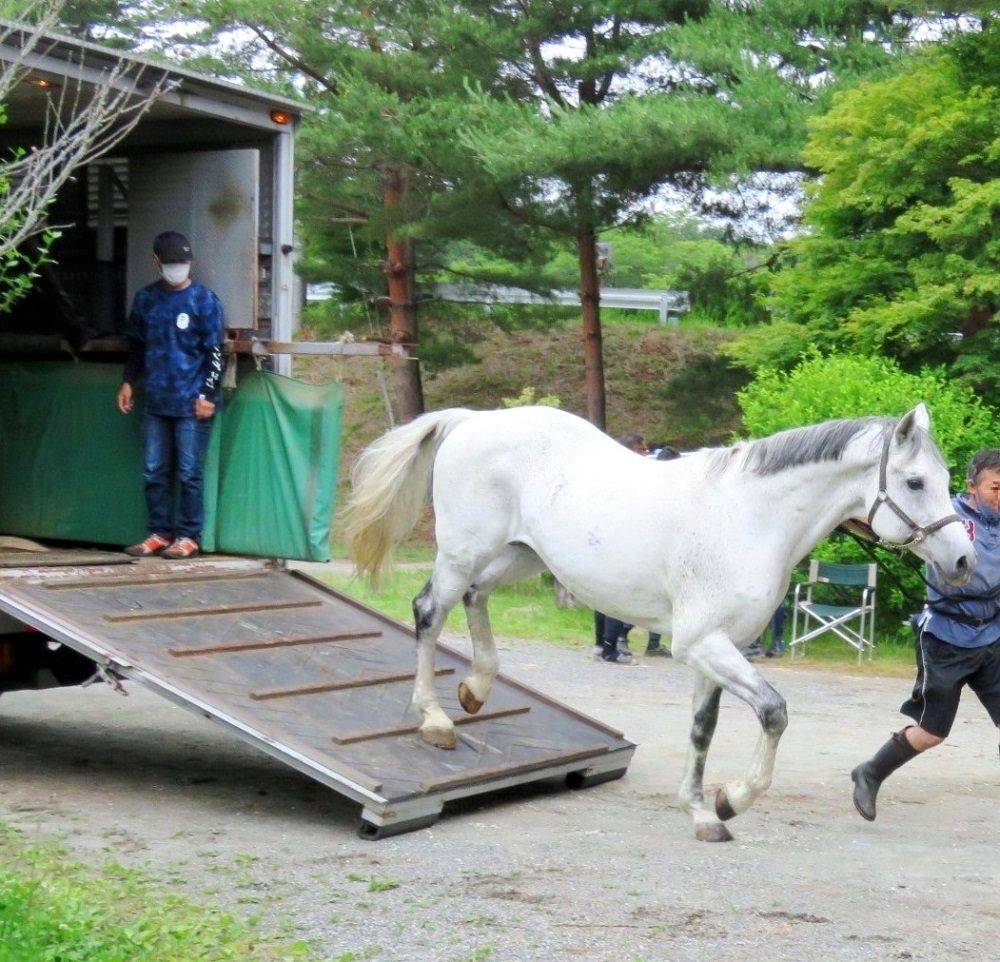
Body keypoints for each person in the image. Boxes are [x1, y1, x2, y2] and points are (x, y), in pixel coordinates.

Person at [851, 448, 1000, 822]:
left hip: (992, 636)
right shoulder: (947, 517)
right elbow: (890, 516)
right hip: (946, 638)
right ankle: (870, 772)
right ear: (972, 487)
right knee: (932, 732)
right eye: (995, 488)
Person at [117, 231, 224, 560]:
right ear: (156, 262)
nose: (178, 269)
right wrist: (128, 382)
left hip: (192, 403)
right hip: (156, 402)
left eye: (183, 263)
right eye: (171, 263)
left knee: (190, 472)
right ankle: (159, 532)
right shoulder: (146, 300)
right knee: (153, 470)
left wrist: (208, 394)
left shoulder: (205, 301)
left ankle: (189, 536)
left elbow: (216, 354)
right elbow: (136, 347)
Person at [593, 436, 678, 664]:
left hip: (610, 538)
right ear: (630, 450)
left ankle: (601, 645)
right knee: (618, 593)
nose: (645, 453)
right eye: (642, 449)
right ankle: (610, 647)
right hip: (619, 540)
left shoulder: (612, 472)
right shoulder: (625, 475)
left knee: (604, 592)